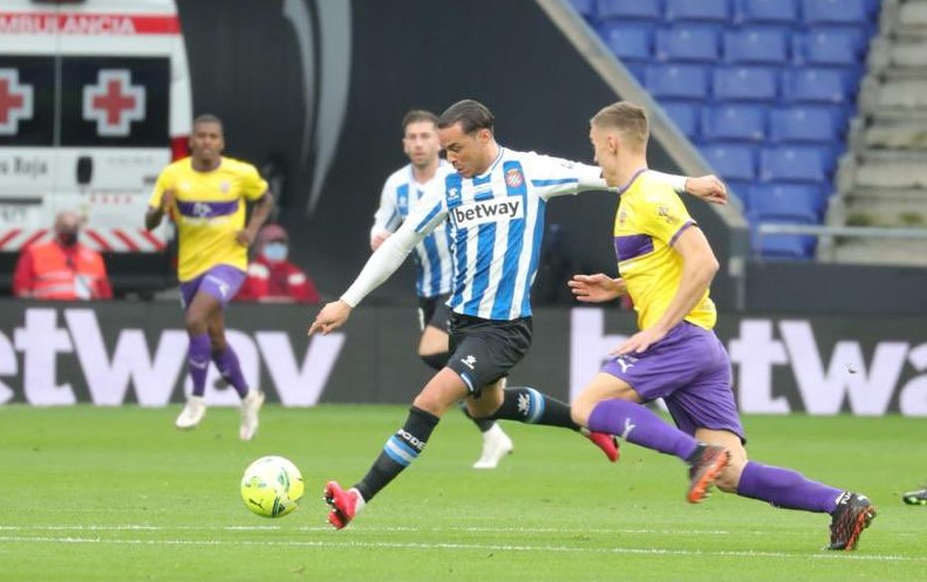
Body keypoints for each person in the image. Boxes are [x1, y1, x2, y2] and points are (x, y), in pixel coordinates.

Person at [308, 99, 726, 529]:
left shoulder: (528, 171)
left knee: (430, 401)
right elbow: (399, 243)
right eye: (445, 150)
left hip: (503, 329)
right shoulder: (448, 186)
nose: (450, 159)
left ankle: (357, 497)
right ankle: (585, 425)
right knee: (489, 407)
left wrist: (686, 183)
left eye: (455, 148)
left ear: (483, 136)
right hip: (462, 323)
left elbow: (608, 175)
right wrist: (347, 300)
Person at [568, 101, 876, 551]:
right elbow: (668, 266)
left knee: (586, 406)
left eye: (595, 148)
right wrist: (619, 286)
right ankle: (843, 504)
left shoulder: (649, 195)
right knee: (732, 472)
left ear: (612, 143)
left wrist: (658, 329)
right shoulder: (638, 196)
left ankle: (696, 455)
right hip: (700, 347)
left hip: (678, 338)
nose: (595, 158)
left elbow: (704, 261)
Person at [370, 109, 514, 470]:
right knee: (454, 370)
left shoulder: (459, 175)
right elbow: (381, 225)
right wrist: (378, 237)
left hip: (463, 287)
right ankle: (492, 430)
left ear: (438, 141)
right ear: (405, 144)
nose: (419, 144)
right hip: (428, 289)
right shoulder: (396, 186)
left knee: (432, 352)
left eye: (425, 136)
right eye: (412, 138)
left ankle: (491, 384)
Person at [145, 114, 274, 440]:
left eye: (212, 136)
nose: (206, 141)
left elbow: (265, 199)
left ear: (221, 142)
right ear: (191, 141)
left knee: (195, 318)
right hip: (190, 268)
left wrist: (252, 230)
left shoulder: (240, 173)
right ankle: (247, 398)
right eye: (200, 136)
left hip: (229, 262)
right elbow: (149, 222)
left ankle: (196, 399)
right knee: (215, 341)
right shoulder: (174, 175)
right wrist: (162, 209)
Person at [12, 210, 112, 300]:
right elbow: (22, 288)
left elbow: (104, 293)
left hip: (83, 312)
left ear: (79, 229)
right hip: (46, 311)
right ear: (56, 228)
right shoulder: (35, 253)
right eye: (65, 227)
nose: (69, 230)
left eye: (74, 227)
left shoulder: (94, 256)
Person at [235, 223, 320, 304]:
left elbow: (312, 301)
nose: (277, 247)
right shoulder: (246, 272)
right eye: (272, 243)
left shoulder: (297, 273)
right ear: (259, 246)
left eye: (281, 243)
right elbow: (236, 300)